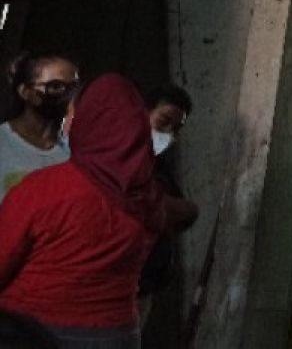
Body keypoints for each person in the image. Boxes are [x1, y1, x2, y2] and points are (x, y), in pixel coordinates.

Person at [0, 73, 197, 348]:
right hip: (117, 334)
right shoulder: (148, 198)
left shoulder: (42, 188)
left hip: (34, 330)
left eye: (73, 115)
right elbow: (187, 213)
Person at [137, 84, 199, 325]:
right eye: (163, 121)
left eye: (177, 128)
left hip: (144, 285)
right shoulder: (115, 162)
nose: (169, 133)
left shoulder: (159, 166)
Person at [0, 51, 78, 204]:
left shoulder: (74, 152)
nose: (67, 95)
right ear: (26, 92)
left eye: (73, 88)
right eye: (56, 87)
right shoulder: (3, 143)